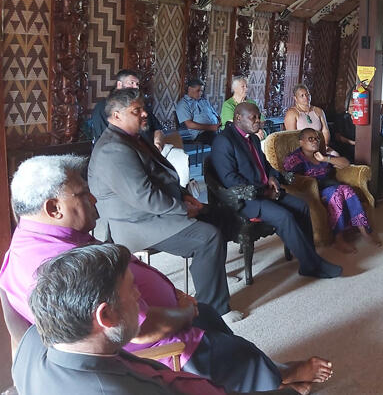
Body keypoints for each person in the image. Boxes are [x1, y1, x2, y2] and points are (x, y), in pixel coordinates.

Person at [1, 155, 332, 394]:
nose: (92, 197)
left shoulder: (36, 240)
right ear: (53, 208)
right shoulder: (53, 264)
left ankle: (266, 374)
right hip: (141, 341)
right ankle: (281, 376)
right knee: (226, 347)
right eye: (81, 194)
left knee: (213, 317)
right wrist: (184, 312)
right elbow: (139, 330)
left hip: (144, 314)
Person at [13, 243, 329, 394]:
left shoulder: (34, 341)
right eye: (133, 291)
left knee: (210, 321)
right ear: (105, 315)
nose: (140, 297)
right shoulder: (118, 390)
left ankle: (277, 377)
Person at [89, 88, 235, 319]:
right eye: (137, 111)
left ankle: (211, 273)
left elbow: (162, 178)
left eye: (143, 109)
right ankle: (213, 311)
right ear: (116, 116)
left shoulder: (132, 138)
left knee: (221, 215)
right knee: (208, 237)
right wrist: (184, 209)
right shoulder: (113, 149)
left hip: (158, 212)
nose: (145, 114)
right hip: (137, 224)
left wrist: (184, 195)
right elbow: (144, 196)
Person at [211, 102, 342, 279]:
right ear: (238, 118)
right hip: (245, 199)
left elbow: (266, 166)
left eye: (259, 117)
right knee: (284, 216)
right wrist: (262, 190)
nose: (259, 121)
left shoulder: (254, 139)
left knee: (302, 206)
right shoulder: (224, 141)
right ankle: (313, 266)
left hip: (266, 192)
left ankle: (309, 259)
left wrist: (272, 177)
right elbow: (229, 179)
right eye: (254, 118)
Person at [284, 128, 382, 254]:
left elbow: (345, 163)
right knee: (336, 194)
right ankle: (338, 239)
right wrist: (312, 191)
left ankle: (364, 231)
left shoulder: (320, 154)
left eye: (317, 138)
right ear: (301, 142)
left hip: (330, 187)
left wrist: (325, 159)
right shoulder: (295, 158)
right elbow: (289, 178)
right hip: (312, 192)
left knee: (347, 190)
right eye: (311, 139)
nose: (315, 141)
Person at [91, 69, 191, 187]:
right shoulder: (104, 107)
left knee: (179, 160)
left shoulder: (140, 104)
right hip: (129, 152)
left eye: (137, 84)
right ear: (119, 84)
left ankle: (180, 190)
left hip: (151, 149)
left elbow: (157, 129)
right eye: (131, 83)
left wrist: (157, 143)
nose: (135, 87)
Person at [284, 83, 336, 155]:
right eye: (302, 96)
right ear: (296, 98)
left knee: (335, 155)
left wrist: (325, 146)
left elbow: (325, 131)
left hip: (320, 146)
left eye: (307, 94)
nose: (306, 97)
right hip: (302, 149)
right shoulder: (292, 113)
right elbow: (291, 137)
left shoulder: (318, 111)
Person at [176, 78, 220, 145]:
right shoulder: (184, 104)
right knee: (221, 141)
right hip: (200, 134)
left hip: (216, 129)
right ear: (190, 89)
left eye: (202, 91)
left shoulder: (204, 101)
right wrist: (212, 127)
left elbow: (215, 115)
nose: (201, 93)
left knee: (231, 136)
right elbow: (189, 124)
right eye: (198, 90)